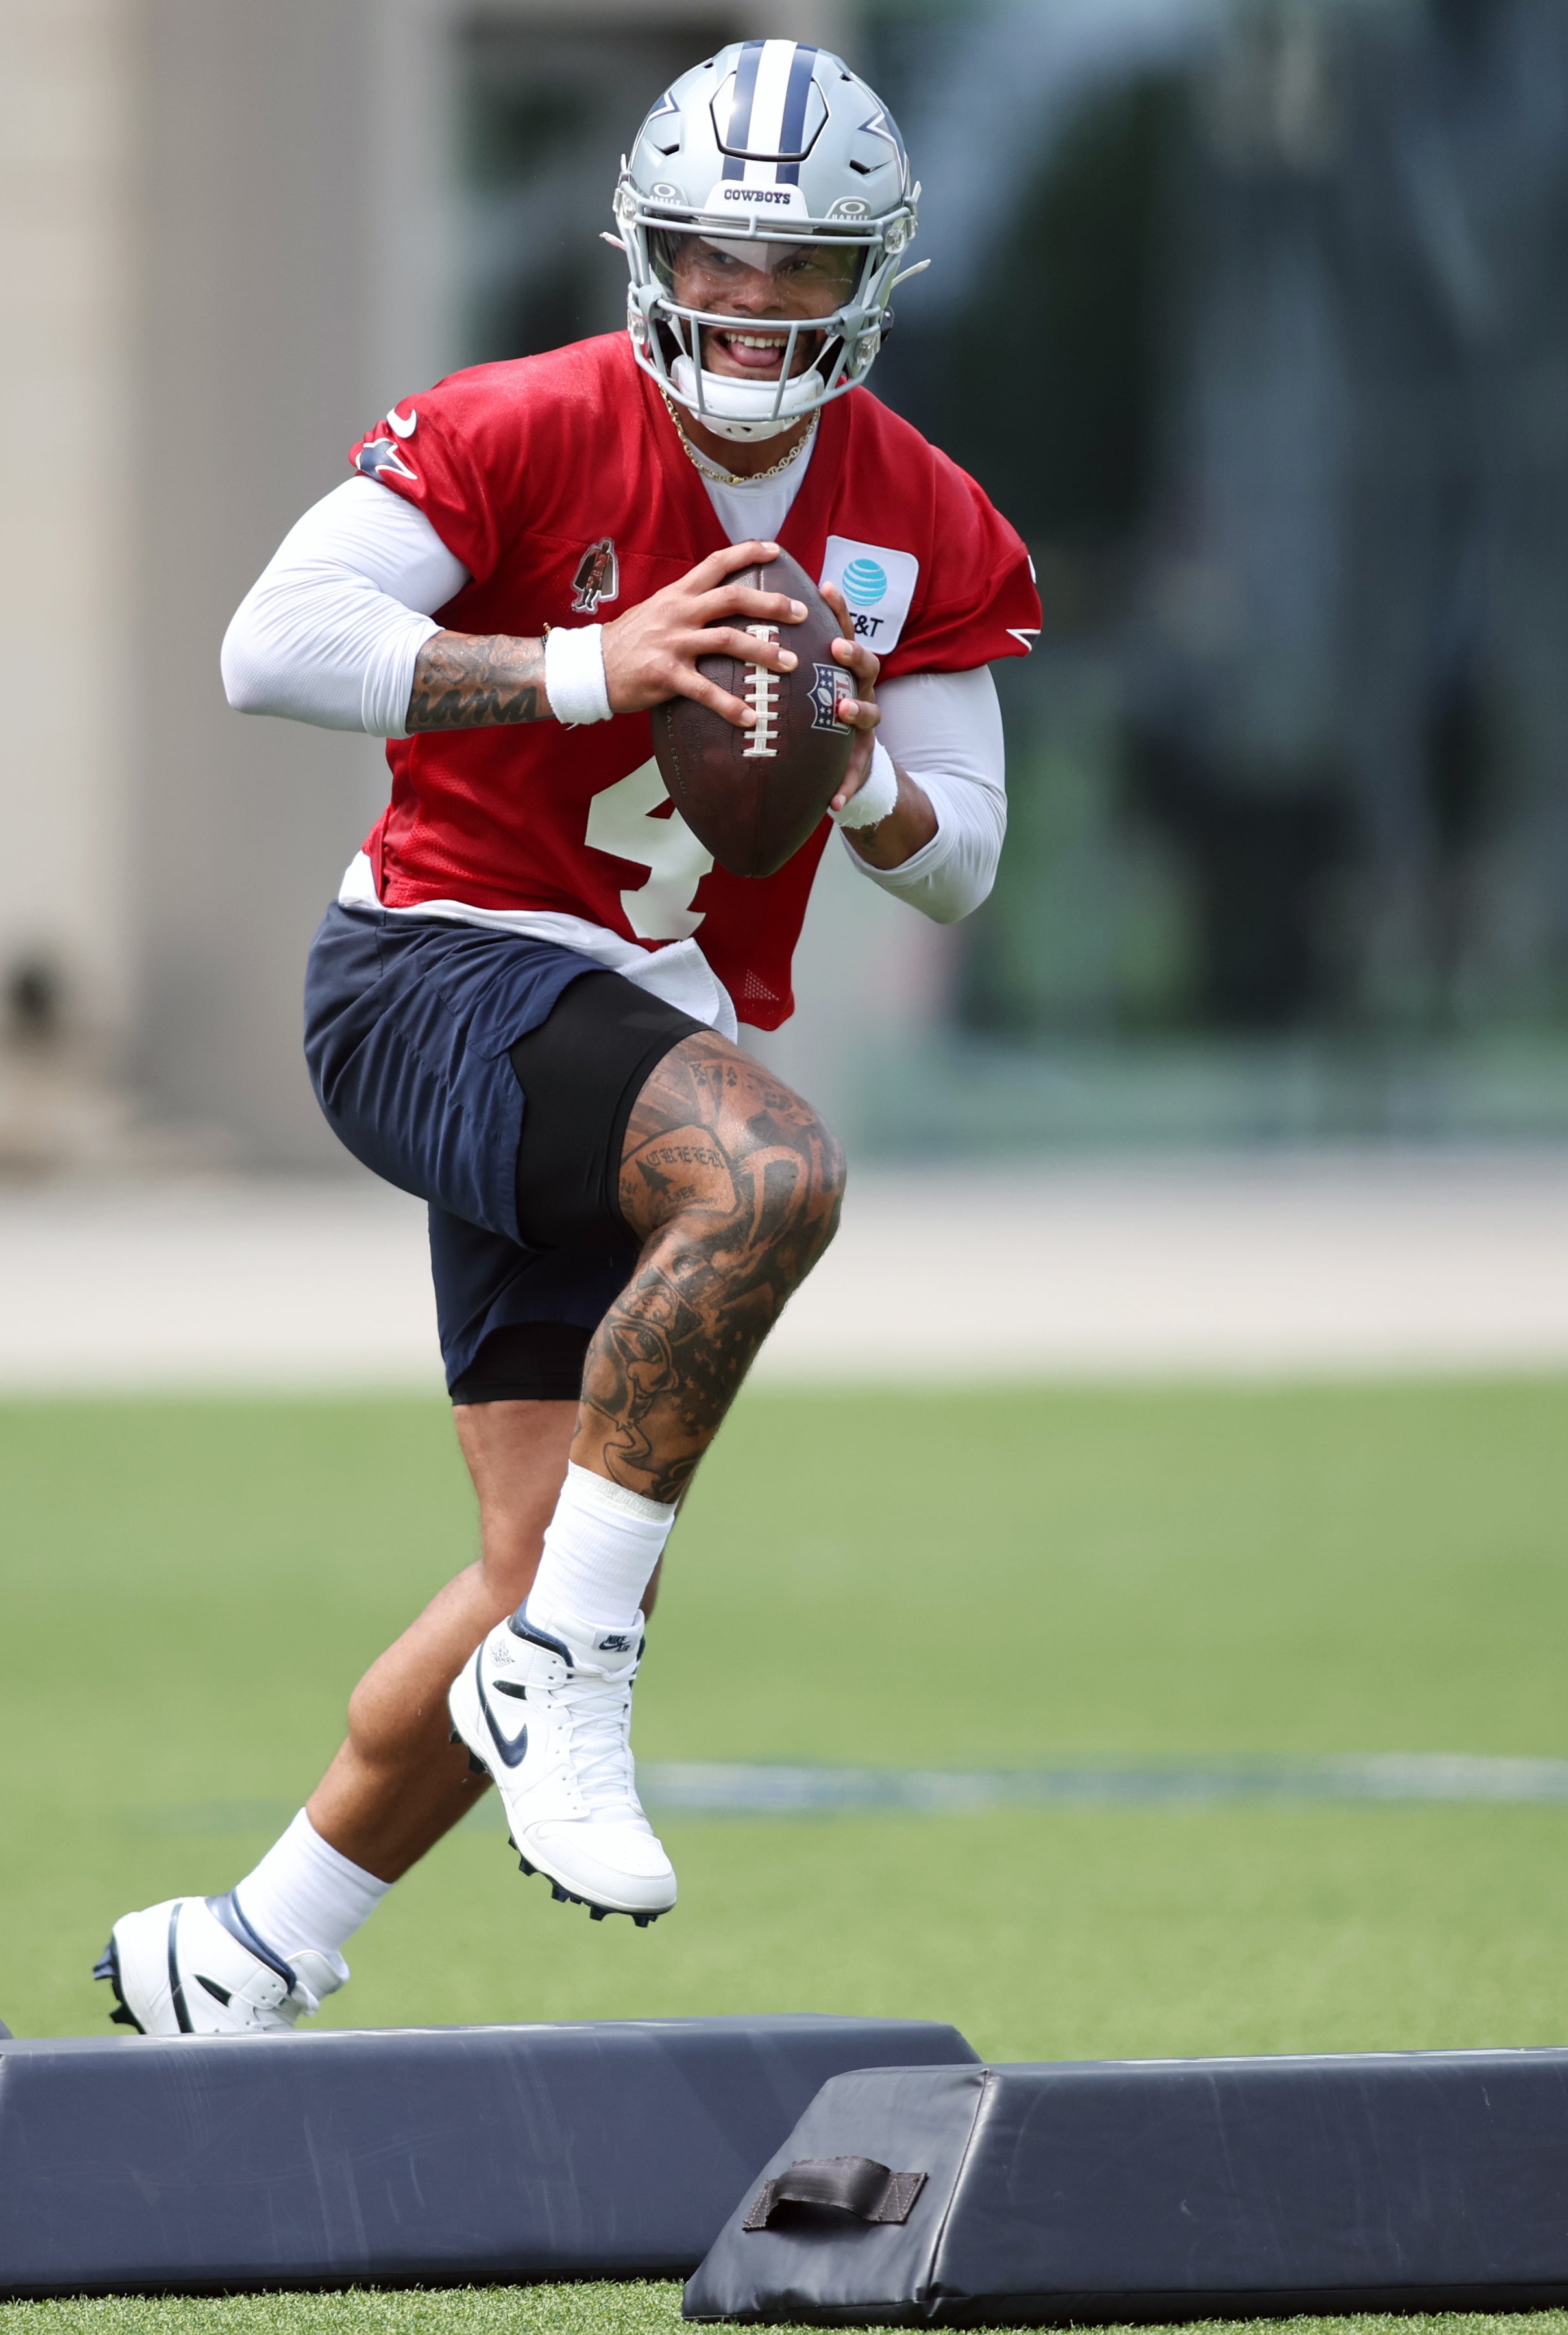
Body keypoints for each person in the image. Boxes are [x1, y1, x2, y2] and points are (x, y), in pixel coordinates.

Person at [97, 38, 1038, 2035]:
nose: (752, 302)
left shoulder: (919, 514)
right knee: (772, 1172)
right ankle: (573, 1680)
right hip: (431, 971)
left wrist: (859, 781)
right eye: (718, 253)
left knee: (543, 1553)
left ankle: (254, 1949)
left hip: (635, 1025)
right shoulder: (522, 427)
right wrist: (585, 664)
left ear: (869, 277)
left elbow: (959, 861)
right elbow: (269, 645)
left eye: (799, 266)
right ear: (647, 250)